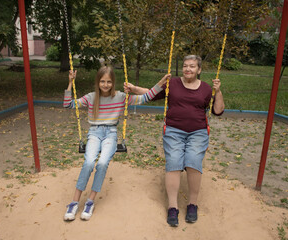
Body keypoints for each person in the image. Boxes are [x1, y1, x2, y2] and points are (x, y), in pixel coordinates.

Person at [124, 55, 224, 227]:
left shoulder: (207, 89)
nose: (188, 69)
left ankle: (192, 204)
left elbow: (218, 111)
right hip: (173, 131)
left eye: (192, 66)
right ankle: (172, 207)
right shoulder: (173, 84)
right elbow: (151, 94)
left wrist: (218, 91)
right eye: (185, 66)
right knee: (174, 162)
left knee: (193, 161)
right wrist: (133, 88)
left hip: (198, 132)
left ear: (199, 70)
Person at [63, 65, 171, 221]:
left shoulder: (121, 97)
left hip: (111, 135)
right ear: (98, 82)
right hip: (94, 133)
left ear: (113, 82)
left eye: (108, 81)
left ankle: (90, 201)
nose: (105, 85)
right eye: (102, 81)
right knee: (88, 163)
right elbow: (68, 105)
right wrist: (70, 83)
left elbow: (145, 97)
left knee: (102, 163)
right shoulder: (91, 97)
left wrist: (161, 83)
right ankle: (73, 203)